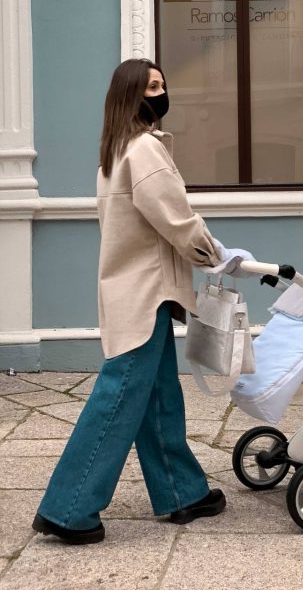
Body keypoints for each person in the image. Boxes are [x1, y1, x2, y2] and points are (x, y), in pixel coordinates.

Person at [32, 58, 226, 545]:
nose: (160, 93)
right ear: (131, 96)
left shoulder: (115, 151)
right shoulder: (144, 150)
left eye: (162, 84)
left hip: (139, 291)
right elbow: (176, 219)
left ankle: (182, 492)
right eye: (151, 87)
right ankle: (67, 509)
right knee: (118, 398)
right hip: (144, 291)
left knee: (158, 395)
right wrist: (215, 255)